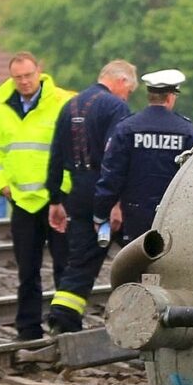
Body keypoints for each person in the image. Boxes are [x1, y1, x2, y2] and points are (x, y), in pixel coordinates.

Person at [0, 52, 76, 341]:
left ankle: (65, 325)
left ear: (40, 72)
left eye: (28, 75)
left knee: (64, 265)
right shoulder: (2, 109)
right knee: (27, 269)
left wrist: (64, 189)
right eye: (18, 77)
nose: (24, 82)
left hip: (56, 200)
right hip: (22, 201)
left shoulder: (62, 102)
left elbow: (75, 149)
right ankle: (28, 328)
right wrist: (1, 184)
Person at [43, 59, 138, 333]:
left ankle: (63, 318)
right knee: (137, 253)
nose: (127, 95)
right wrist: (115, 202)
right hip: (105, 193)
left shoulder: (69, 106)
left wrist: (54, 200)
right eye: (129, 90)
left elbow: (56, 155)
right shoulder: (116, 107)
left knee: (81, 259)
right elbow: (116, 157)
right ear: (121, 81)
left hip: (78, 193)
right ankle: (142, 317)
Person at [96, 67, 193, 254]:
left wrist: (100, 214)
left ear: (149, 96)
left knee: (135, 264)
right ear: (170, 97)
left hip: (134, 215)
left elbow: (112, 175)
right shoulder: (186, 130)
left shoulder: (127, 127)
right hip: (171, 214)